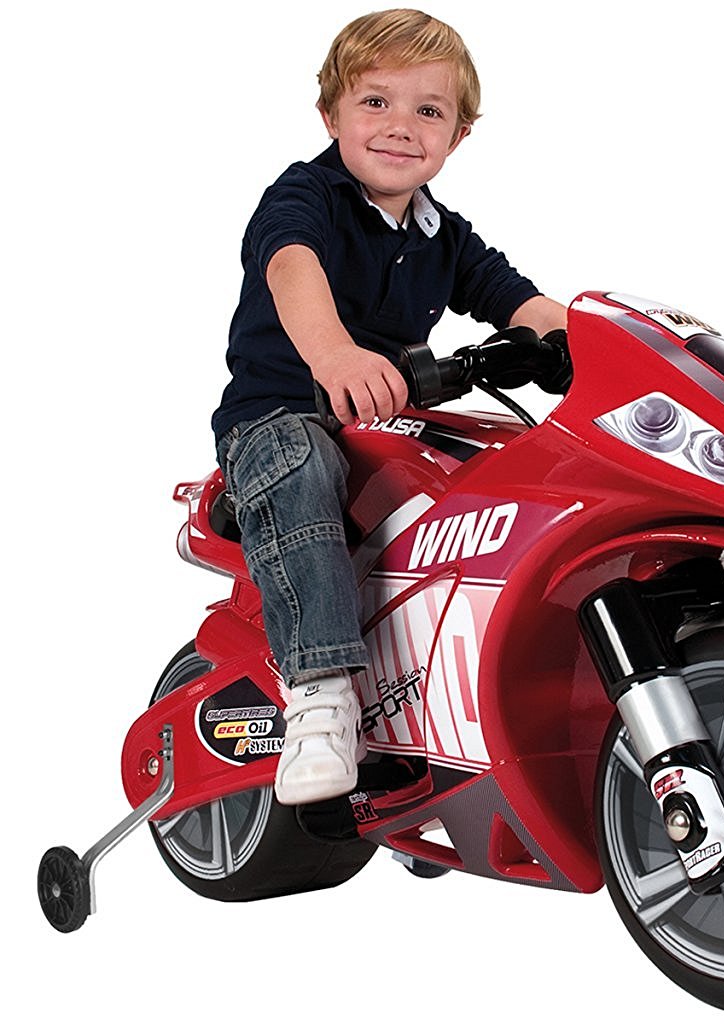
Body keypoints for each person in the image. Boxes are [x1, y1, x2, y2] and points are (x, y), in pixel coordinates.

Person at [211, 9, 567, 806]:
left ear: (459, 135)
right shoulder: (306, 196)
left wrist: (595, 344)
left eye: (428, 110)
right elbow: (291, 267)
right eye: (375, 102)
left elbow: (519, 299)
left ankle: (440, 702)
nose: (401, 126)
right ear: (330, 114)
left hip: (388, 424)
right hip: (279, 421)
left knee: (501, 473)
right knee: (302, 458)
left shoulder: (444, 235)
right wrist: (334, 354)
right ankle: (320, 697)